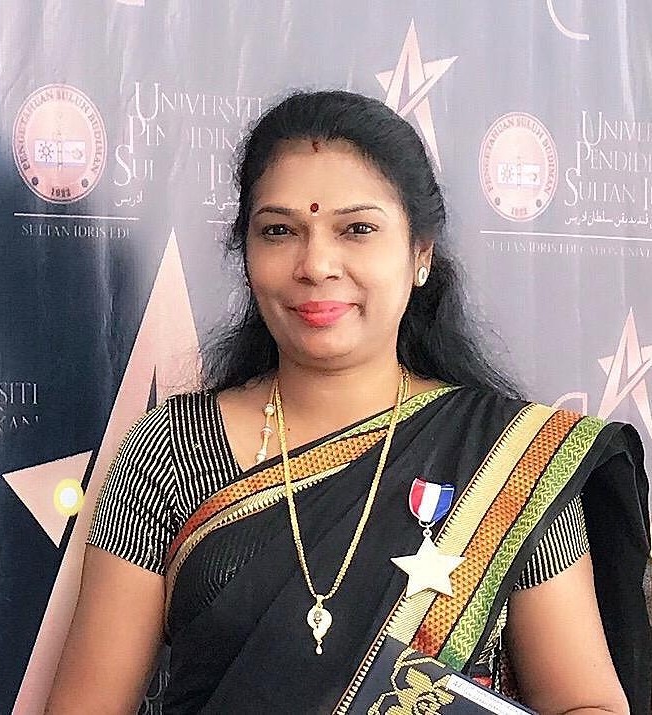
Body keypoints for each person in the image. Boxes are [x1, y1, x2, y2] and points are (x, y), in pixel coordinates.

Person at [47, 90, 651, 714]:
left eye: (357, 229)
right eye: (279, 231)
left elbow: (589, 704)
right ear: (246, 255)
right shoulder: (172, 448)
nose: (316, 264)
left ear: (420, 254)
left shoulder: (510, 463)